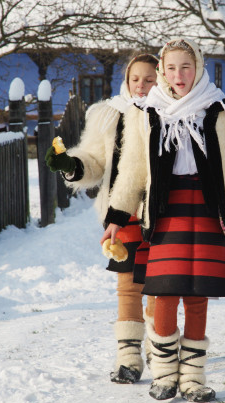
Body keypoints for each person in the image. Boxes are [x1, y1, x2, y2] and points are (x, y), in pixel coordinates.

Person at [101, 38, 225, 403]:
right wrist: (116, 215)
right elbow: (131, 172)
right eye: (171, 68)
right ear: (162, 70)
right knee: (163, 292)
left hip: (208, 214)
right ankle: (164, 374)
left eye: (186, 67)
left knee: (197, 296)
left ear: (200, 67)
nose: (179, 75)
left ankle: (193, 378)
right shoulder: (145, 113)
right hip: (165, 214)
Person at [45, 54, 159, 385]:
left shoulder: (171, 113)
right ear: (126, 79)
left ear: (160, 81)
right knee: (128, 284)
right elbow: (94, 159)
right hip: (121, 215)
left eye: (149, 79)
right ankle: (128, 356)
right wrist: (71, 164)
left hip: (161, 213)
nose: (141, 85)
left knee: (160, 285)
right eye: (135, 78)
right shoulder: (108, 115)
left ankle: (158, 346)